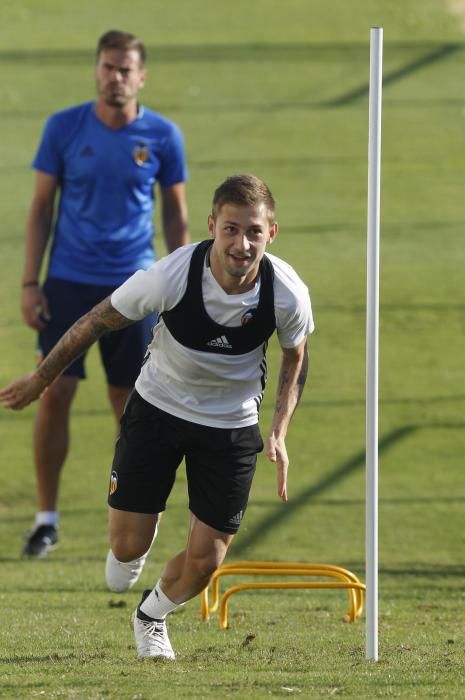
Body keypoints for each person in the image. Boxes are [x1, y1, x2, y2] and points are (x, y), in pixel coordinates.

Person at [1, 174, 314, 660]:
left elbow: (296, 356)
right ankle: (135, 542)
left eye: (253, 231)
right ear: (212, 226)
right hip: (158, 409)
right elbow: (93, 323)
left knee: (207, 560)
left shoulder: (287, 293)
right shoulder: (168, 276)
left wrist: (279, 430)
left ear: (271, 233)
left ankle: (152, 615)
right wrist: (40, 381)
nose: (241, 243)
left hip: (230, 424)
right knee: (124, 553)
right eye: (230, 230)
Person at [19, 29, 189, 558]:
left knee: (132, 404)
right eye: (108, 67)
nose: (115, 78)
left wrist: (182, 286)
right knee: (54, 391)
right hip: (68, 281)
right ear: (96, 70)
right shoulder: (64, 128)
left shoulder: (163, 135)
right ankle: (46, 520)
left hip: (134, 286)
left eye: (125, 70)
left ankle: (134, 518)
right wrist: (30, 282)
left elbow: (176, 213)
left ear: (142, 76)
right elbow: (41, 207)